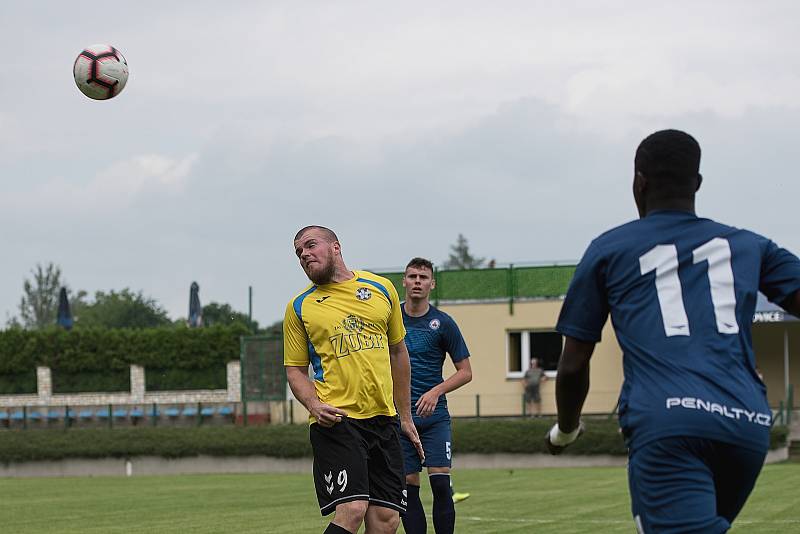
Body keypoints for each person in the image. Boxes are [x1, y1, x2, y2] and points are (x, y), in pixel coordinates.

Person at [546, 130, 800, 533]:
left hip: (669, 425)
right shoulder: (750, 245)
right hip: (745, 424)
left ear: (638, 182)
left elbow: (574, 362)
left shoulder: (610, 249)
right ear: (697, 183)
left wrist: (566, 428)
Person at [283, 226, 424, 534]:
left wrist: (405, 416)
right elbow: (295, 369)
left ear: (336, 247)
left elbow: (399, 353)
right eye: (298, 253)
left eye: (310, 245)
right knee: (353, 508)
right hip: (337, 421)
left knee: (387, 519)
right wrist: (313, 404)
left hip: (384, 421)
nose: (304, 254)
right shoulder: (299, 307)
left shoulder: (381, 287)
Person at [399, 257, 473, 534]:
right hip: (400, 419)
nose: (417, 281)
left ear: (432, 284)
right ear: (403, 282)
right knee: (408, 487)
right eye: (412, 276)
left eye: (423, 277)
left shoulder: (443, 323)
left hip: (435, 418)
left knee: (441, 485)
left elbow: (465, 371)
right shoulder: (390, 320)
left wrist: (436, 390)